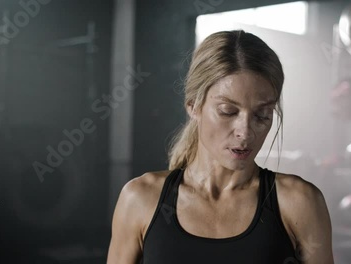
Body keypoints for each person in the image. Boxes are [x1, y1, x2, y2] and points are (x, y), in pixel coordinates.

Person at [107, 30, 334, 264]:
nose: (245, 132)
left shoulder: (300, 202)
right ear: (194, 106)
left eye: (262, 115)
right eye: (228, 111)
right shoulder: (140, 199)